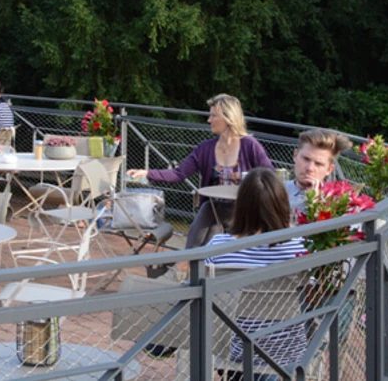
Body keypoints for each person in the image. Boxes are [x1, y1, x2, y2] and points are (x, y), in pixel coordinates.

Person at [125, 94, 273, 249]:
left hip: (244, 210)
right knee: (207, 217)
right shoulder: (205, 148)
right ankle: (186, 267)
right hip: (215, 210)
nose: (209, 120)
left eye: (213, 116)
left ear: (228, 117)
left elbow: (269, 177)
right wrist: (147, 173)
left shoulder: (250, 145)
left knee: (209, 237)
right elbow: (178, 174)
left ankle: (184, 267)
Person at [205, 168, 308, 381]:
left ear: (241, 205)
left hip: (234, 350)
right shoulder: (302, 247)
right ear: (282, 204)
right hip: (288, 350)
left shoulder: (218, 246)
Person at [286, 129, 353, 215]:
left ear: (329, 169)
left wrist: (315, 206)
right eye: (306, 159)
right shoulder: (275, 190)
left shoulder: (338, 203)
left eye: (318, 164)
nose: (310, 168)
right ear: (295, 156)